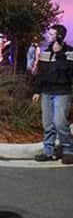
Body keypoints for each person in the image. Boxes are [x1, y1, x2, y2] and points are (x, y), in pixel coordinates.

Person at [32, 24, 73, 164]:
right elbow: (41, 74)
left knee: (60, 122)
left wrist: (60, 54)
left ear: (59, 36)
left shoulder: (69, 53)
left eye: (51, 34)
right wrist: (37, 90)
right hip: (47, 92)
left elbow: (69, 73)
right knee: (48, 123)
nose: (48, 36)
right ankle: (48, 151)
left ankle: (68, 150)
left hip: (62, 92)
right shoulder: (45, 52)